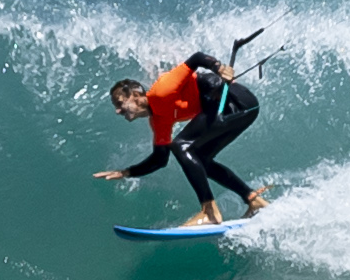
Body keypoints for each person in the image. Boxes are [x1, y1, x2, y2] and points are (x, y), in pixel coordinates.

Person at [95, 46, 269, 227]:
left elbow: (197, 58)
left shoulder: (162, 90)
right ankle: (253, 200)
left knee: (181, 145)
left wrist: (219, 68)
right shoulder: (158, 120)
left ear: (135, 95)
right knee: (202, 161)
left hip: (235, 101)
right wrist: (126, 172)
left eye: (120, 103)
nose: (117, 111)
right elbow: (159, 159)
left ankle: (209, 212)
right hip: (239, 112)